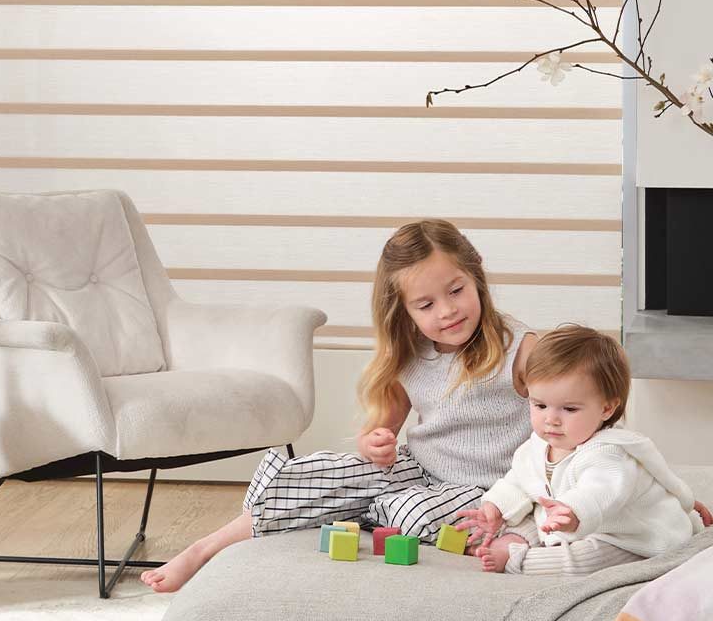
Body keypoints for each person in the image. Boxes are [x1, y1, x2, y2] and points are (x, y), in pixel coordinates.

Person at [142, 218, 539, 592]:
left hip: (487, 489)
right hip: (419, 470)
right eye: (426, 305)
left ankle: (355, 513)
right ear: (403, 309)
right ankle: (203, 550)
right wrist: (373, 443)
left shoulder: (522, 351)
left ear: (477, 275)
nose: (447, 310)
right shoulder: (412, 353)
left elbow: (561, 431)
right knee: (301, 476)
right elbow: (381, 427)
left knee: (409, 514)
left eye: (456, 291)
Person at [454, 325, 708, 575]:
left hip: (629, 533)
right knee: (530, 521)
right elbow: (518, 480)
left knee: (591, 554)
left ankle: (526, 561)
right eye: (540, 405)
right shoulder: (537, 446)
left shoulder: (609, 453)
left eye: (570, 409)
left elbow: (600, 491)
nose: (551, 419)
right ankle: (514, 541)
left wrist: (574, 511)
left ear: (606, 409)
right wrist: (496, 508)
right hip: (566, 520)